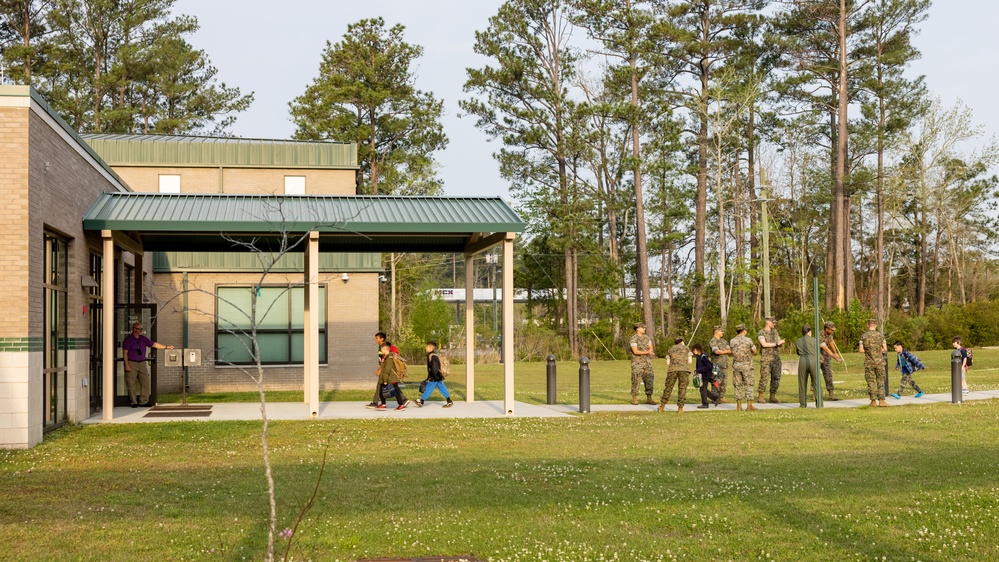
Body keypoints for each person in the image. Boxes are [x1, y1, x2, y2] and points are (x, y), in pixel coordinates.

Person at [122, 322, 174, 408]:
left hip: (142, 362)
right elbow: (125, 352)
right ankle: (133, 402)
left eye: (142, 329)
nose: (141, 331)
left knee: (145, 382)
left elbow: (154, 344)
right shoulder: (128, 340)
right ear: (134, 329)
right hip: (132, 362)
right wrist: (127, 364)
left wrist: (166, 347)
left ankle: (143, 401)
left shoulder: (143, 339)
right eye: (139, 329)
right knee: (131, 383)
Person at [365, 332, 400, 409]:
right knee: (387, 386)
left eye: (377, 338)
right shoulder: (381, 347)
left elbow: (388, 359)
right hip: (384, 369)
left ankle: (377, 403)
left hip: (387, 370)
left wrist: (380, 369)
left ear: (382, 339)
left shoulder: (386, 347)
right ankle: (401, 401)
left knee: (387, 386)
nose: (376, 340)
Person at [858, 318, 888, 407]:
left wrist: (868, 351)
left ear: (868, 325)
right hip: (880, 362)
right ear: (876, 325)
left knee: (870, 381)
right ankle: (882, 400)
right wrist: (878, 351)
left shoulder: (863, 336)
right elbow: (885, 349)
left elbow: (860, 350)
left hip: (869, 362)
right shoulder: (880, 336)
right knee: (881, 380)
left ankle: (873, 401)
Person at [658, 337, 691, 413]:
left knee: (668, 388)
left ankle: (662, 407)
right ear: (682, 341)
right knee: (682, 388)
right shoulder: (686, 348)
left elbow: (668, 362)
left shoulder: (671, 349)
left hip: (672, 370)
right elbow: (690, 361)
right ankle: (680, 408)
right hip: (684, 370)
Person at [757, 316, 785, 404]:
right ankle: (760, 395)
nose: (774, 324)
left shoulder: (775, 332)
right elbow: (764, 344)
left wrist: (780, 343)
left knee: (776, 378)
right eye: (773, 322)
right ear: (767, 322)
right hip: (766, 359)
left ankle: (772, 396)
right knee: (764, 378)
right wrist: (777, 343)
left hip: (776, 359)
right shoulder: (761, 332)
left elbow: (779, 341)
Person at [729, 324, 757, 412]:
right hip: (747, 365)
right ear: (744, 331)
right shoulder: (748, 340)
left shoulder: (732, 341)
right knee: (749, 384)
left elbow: (731, 351)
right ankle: (749, 405)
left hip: (736, 365)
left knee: (737, 384)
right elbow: (755, 351)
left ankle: (738, 406)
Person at [417, 340, 453, 408]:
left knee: (428, 388)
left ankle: (421, 401)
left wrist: (433, 376)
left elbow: (435, 367)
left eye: (426, 347)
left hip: (435, 376)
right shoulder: (433, 355)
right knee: (442, 387)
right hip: (437, 376)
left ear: (430, 348)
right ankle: (449, 401)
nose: (425, 348)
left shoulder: (432, 356)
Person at [376, 342, 411, 411]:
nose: (381, 351)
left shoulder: (389, 358)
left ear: (384, 349)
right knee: (381, 390)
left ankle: (401, 404)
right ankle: (383, 404)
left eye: (381, 349)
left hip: (390, 378)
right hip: (389, 377)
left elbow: (387, 370)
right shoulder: (387, 357)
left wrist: (385, 380)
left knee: (396, 392)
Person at [629, 322, 656, 405]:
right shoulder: (633, 338)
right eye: (642, 327)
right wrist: (647, 352)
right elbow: (635, 351)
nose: (644, 329)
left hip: (647, 363)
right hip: (637, 363)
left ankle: (649, 398)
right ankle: (634, 398)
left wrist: (649, 351)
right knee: (636, 380)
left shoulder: (646, 338)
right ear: (637, 329)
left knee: (649, 380)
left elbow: (650, 347)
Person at [818, 321, 843, 400]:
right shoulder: (820, 336)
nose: (832, 331)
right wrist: (835, 358)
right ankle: (815, 394)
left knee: (828, 375)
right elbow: (826, 349)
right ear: (826, 329)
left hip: (826, 357)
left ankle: (831, 394)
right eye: (831, 329)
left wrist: (835, 353)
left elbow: (831, 342)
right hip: (818, 356)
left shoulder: (829, 335)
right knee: (815, 376)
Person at [795, 325, 819, 408]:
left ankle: (803, 404)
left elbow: (798, 352)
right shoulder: (815, 340)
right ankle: (819, 403)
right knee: (816, 382)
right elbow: (817, 351)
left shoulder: (798, 341)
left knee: (802, 383)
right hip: (813, 360)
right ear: (809, 332)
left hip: (803, 361)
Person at [691, 343, 719, 409]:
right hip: (701, 375)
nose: (693, 352)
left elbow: (709, 366)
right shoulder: (698, 356)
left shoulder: (703, 357)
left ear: (698, 349)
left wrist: (699, 370)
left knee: (703, 389)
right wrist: (697, 371)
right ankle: (715, 397)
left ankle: (705, 404)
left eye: (694, 350)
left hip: (705, 375)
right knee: (704, 389)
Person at [709, 326, 732, 403]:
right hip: (716, 365)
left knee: (724, 382)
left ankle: (721, 397)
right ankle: (714, 397)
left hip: (724, 365)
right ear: (716, 331)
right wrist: (725, 351)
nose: (723, 332)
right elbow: (716, 351)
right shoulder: (713, 341)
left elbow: (730, 351)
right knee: (716, 381)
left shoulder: (724, 341)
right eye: (721, 331)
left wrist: (722, 351)